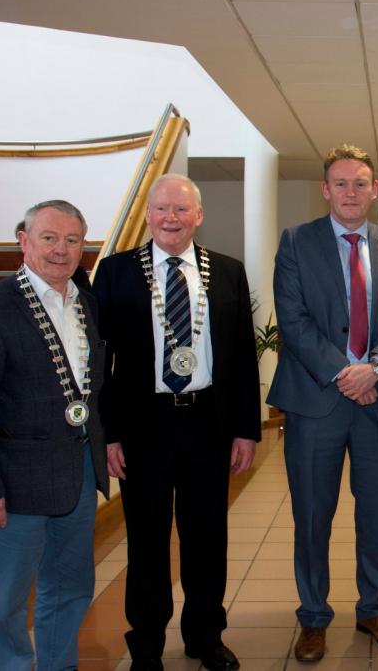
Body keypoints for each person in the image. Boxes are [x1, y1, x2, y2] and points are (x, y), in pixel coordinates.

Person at [93, 173, 262, 671]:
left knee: (207, 538)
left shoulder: (227, 271)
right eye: (163, 208)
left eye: (182, 209)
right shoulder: (116, 272)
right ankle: (146, 644)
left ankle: (205, 636)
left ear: (199, 216)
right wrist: (109, 434)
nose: (172, 218)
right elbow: (99, 363)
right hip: (143, 427)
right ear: (148, 214)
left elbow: (242, 356)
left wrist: (246, 428)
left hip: (209, 423)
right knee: (146, 540)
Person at [268, 144, 378, 662]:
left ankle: (373, 609)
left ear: (374, 190)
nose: (350, 192)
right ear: (325, 190)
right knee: (312, 516)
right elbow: (293, 319)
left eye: (360, 183)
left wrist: (375, 367)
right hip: (316, 402)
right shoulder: (296, 241)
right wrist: (343, 373)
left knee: (376, 517)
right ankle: (313, 616)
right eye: (340, 183)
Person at [0, 200, 109, 671]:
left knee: (71, 586)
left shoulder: (85, 303)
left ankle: (60, 664)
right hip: (13, 484)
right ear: (24, 241)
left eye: (72, 240)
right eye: (49, 238)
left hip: (78, 472)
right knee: (8, 601)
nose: (61, 249)